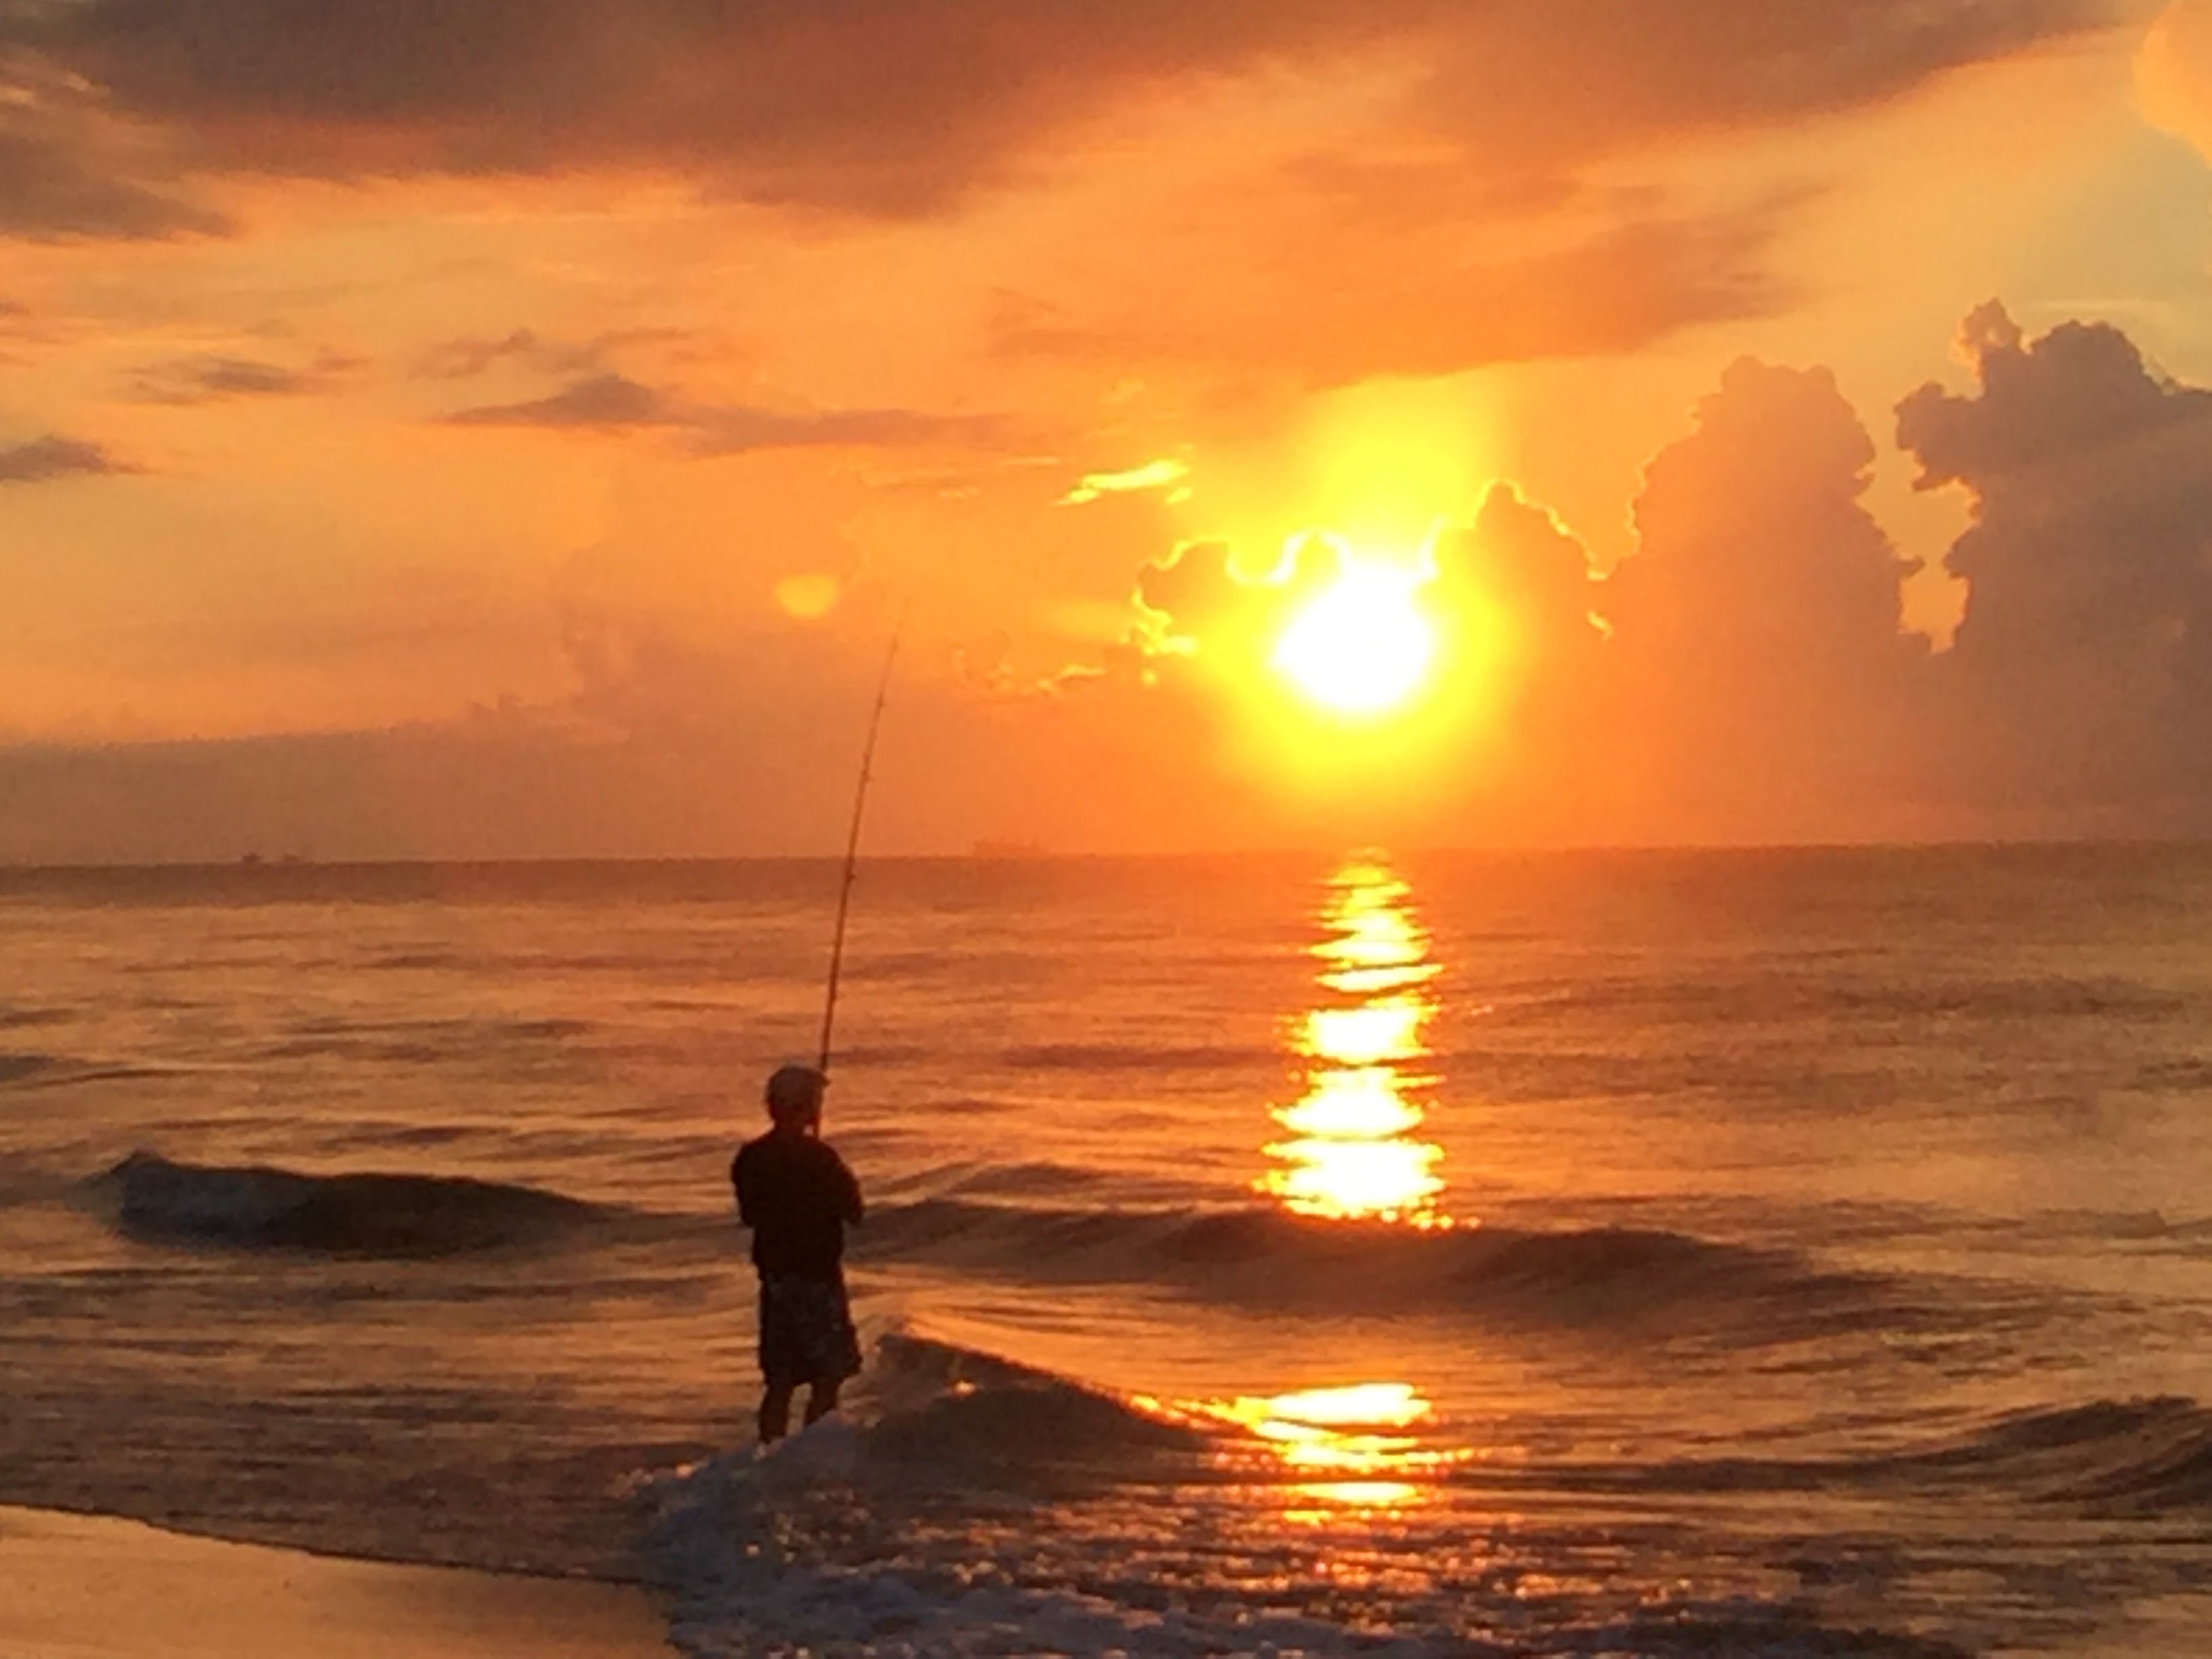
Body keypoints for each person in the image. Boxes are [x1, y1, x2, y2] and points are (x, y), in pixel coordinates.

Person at [731, 1063, 864, 1443]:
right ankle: (811, 1451)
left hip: (776, 1280)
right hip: (818, 1279)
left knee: (780, 1379)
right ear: (804, 1108)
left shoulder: (751, 1159)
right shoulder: (821, 1159)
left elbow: (750, 1215)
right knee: (828, 1375)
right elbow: (854, 1211)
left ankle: (769, 1453)